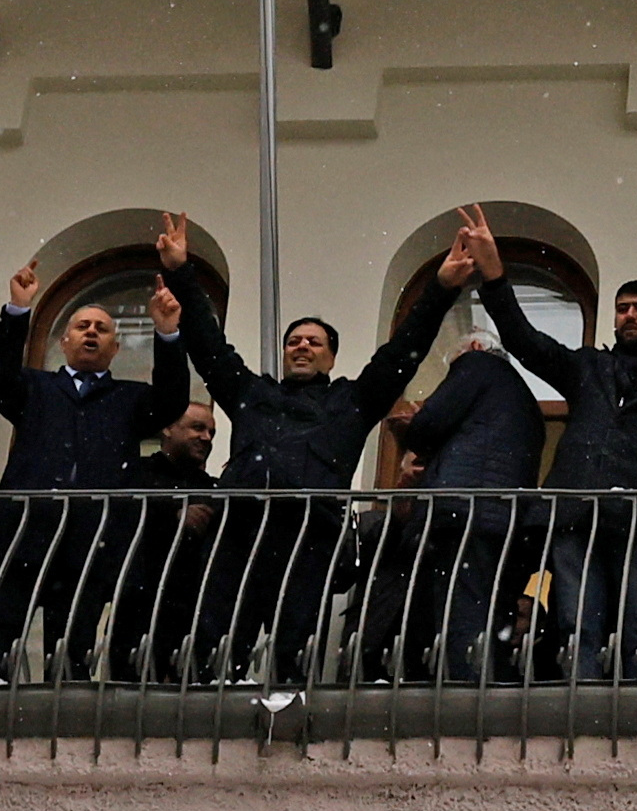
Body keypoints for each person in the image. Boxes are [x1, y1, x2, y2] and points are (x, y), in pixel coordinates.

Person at [159, 211, 468, 681]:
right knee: (216, 642)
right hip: (240, 529)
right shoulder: (251, 393)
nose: (301, 347)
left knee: (295, 645)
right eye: (294, 341)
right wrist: (181, 271)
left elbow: (401, 354)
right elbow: (209, 346)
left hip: (309, 533)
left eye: (314, 342)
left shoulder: (352, 401)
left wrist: (442, 289)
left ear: (331, 355)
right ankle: (210, 716)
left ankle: (286, 716)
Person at [454, 206, 637, 683]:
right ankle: (582, 707)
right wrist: (494, 275)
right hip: (575, 512)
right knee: (577, 621)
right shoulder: (588, 369)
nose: (629, 315)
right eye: (622, 308)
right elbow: (524, 340)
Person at [0, 260, 191, 682]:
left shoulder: (129, 400)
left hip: (93, 539)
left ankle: (66, 709)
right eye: (83, 325)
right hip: (23, 530)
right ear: (64, 340)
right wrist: (18, 310)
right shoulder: (33, 388)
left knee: (72, 646)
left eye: (102, 328)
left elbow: (171, 401)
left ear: (115, 348)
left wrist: (167, 332)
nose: (91, 331)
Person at [366, 328, 544, 683]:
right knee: (481, 609)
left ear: (477, 346)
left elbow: (432, 421)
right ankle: (481, 687)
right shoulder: (524, 405)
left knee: (456, 613)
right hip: (497, 518)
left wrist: (413, 429)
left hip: (461, 510)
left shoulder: (477, 364)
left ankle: (462, 696)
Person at [106, 399, 220, 684]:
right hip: (140, 605)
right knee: (131, 696)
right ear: (168, 428)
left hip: (193, 608)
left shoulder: (213, 488)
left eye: (211, 432)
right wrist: (173, 511)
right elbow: (122, 512)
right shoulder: (137, 473)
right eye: (197, 428)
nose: (206, 437)